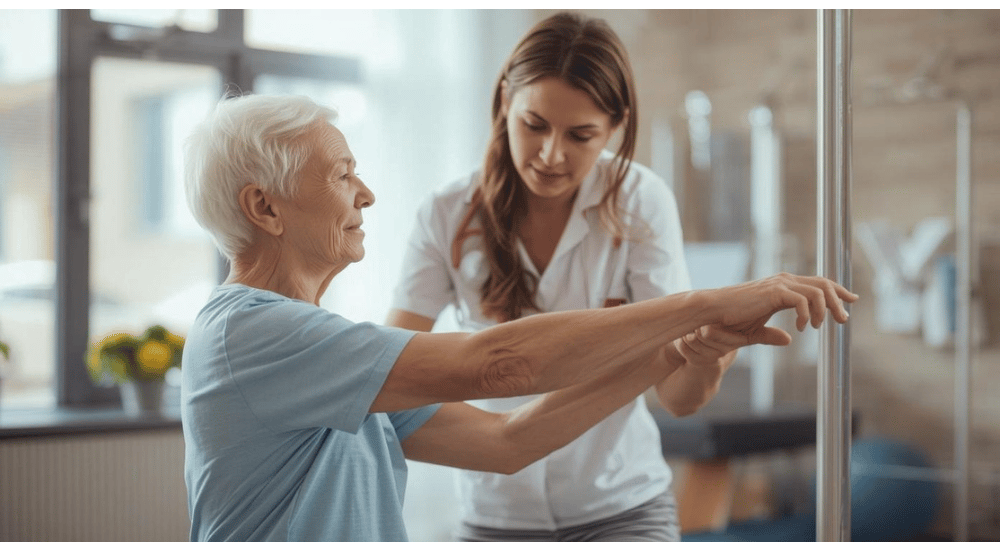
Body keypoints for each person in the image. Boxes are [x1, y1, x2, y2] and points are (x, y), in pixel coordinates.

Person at [180, 92, 856, 542]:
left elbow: (507, 444)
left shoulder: (331, 358)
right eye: (340, 174)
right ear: (264, 209)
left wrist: (676, 348)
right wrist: (706, 301)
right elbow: (503, 365)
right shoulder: (253, 332)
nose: (367, 192)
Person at [386, 11, 749, 541]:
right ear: (505, 101)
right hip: (494, 514)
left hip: (622, 506)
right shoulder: (446, 213)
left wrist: (711, 352)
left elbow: (679, 397)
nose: (551, 155)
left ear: (616, 127)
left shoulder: (640, 202)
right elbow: (398, 372)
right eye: (534, 125)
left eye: (581, 135)